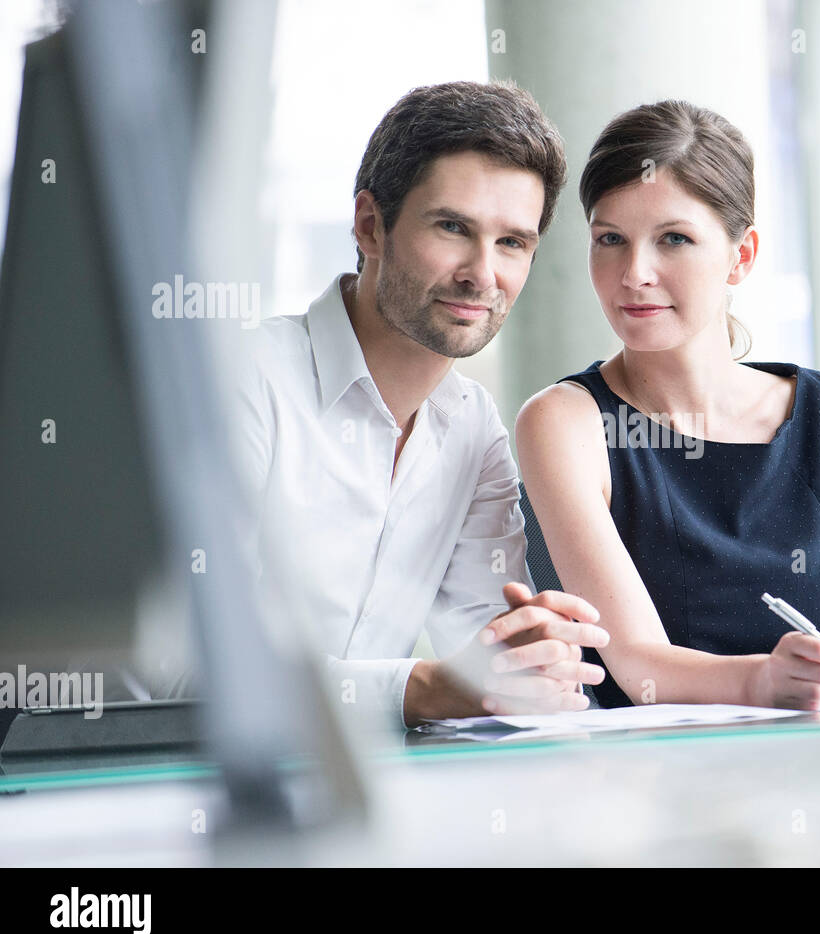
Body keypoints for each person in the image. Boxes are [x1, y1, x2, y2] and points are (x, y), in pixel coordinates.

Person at [516, 100, 820, 711]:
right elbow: (639, 665)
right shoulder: (565, 422)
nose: (634, 273)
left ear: (741, 256)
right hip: (650, 787)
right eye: (610, 240)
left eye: (674, 239)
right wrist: (764, 680)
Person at [232, 81, 608, 730]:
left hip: (359, 800)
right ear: (370, 225)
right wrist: (426, 688)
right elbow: (190, 672)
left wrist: (531, 662)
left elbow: (487, 653)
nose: (481, 273)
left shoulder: (472, 427)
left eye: (512, 243)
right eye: (452, 227)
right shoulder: (245, 380)